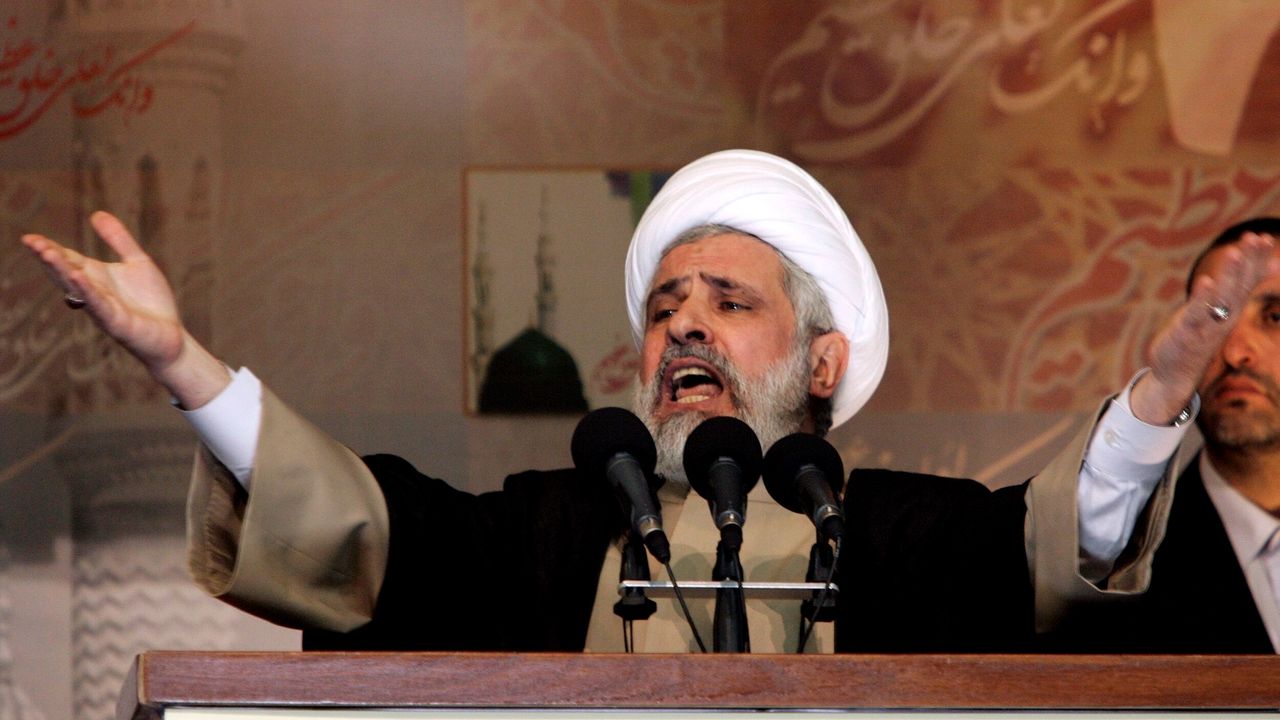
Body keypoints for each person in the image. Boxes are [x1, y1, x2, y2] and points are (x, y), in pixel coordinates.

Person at [21, 150, 1275, 653]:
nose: (682, 323)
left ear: (821, 364)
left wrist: (1152, 399)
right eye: (666, 303)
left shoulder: (909, 537)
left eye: (728, 301)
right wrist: (184, 366)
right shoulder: (544, 534)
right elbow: (365, 532)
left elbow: (1067, 546)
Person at [1047, 218, 1280, 654]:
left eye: (1275, 317)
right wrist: (1161, 393)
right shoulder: (1119, 568)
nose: (1234, 353)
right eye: (1217, 316)